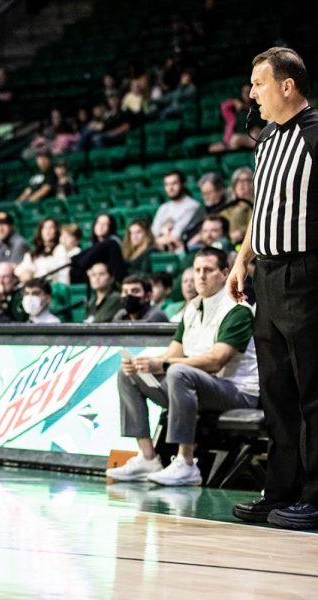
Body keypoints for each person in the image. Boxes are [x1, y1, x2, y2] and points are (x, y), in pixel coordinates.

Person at [228, 48, 318, 529]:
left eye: (259, 83)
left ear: (288, 86)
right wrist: (242, 259)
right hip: (265, 274)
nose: (252, 93)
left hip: (305, 274)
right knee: (277, 392)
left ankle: (316, 495)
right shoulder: (265, 142)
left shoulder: (314, 134)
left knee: (313, 392)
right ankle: (280, 490)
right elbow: (263, 210)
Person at [108, 248, 259, 485]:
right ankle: (147, 457)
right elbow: (172, 354)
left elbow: (215, 361)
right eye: (197, 270)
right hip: (197, 386)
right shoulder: (192, 308)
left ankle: (186, 463)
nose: (201, 276)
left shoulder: (237, 308)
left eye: (208, 270)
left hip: (237, 392)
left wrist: (164, 364)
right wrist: (144, 364)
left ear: (225, 273)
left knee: (178, 371)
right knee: (128, 374)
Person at [152, 170, 205, 252]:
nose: (170, 188)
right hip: (160, 248)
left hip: (181, 250)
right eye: (167, 184)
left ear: (183, 184)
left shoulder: (192, 206)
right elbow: (153, 233)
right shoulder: (163, 208)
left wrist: (157, 240)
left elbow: (177, 236)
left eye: (174, 183)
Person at [17, 217, 69, 284]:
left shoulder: (60, 249)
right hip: (33, 284)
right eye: (44, 228)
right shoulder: (34, 252)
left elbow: (62, 273)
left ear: (56, 231)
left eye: (51, 228)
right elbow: (20, 269)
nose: (47, 231)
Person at [226, 167, 255, 244]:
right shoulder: (229, 206)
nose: (241, 184)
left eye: (246, 180)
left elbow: (257, 224)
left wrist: (241, 232)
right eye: (238, 181)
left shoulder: (255, 205)